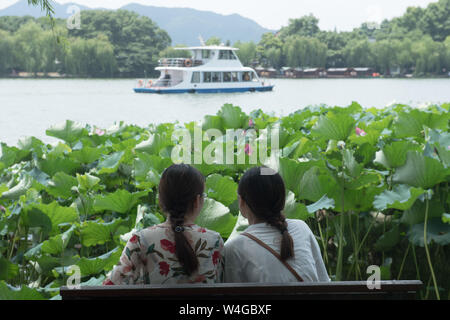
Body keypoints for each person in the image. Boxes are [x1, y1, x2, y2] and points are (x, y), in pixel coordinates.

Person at [103, 164, 224, 285]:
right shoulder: (214, 242)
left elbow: (110, 287)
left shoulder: (141, 240)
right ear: (197, 201)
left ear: (160, 199)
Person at [224, 167, 330, 283]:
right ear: (282, 199)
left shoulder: (234, 247)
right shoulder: (302, 228)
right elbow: (324, 281)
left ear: (241, 201)